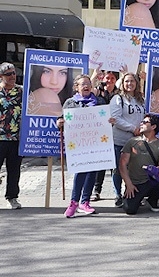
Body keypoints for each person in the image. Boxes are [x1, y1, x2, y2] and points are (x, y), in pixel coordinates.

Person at [57, 74, 114, 218]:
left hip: (96, 142)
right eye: (83, 84)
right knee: (80, 171)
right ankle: (74, 202)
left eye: (88, 83)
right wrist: (59, 123)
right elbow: (61, 119)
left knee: (93, 171)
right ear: (76, 87)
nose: (86, 86)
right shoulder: (70, 103)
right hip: (79, 144)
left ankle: (85, 202)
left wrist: (110, 121)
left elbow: (105, 120)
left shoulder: (99, 102)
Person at [0, 63, 24, 212]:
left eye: (14, 73)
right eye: (9, 74)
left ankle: (12, 197)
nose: (13, 76)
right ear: (0, 76)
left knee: (14, 169)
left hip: (16, 137)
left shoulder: (21, 91)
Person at [119, 114, 159, 214]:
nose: (141, 124)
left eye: (145, 122)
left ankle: (153, 199)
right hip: (135, 184)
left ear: (153, 127)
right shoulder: (132, 142)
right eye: (141, 122)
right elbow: (122, 164)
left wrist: (158, 170)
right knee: (130, 209)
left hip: (151, 181)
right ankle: (135, 197)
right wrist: (128, 184)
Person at [108, 72, 145, 207]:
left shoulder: (141, 99)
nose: (130, 84)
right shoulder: (118, 99)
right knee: (118, 168)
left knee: (134, 169)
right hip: (120, 140)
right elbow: (115, 119)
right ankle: (117, 194)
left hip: (137, 141)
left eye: (132, 81)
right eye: (127, 81)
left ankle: (131, 193)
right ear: (122, 84)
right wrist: (132, 128)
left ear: (136, 83)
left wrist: (142, 129)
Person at [91, 70, 121, 200]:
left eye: (112, 78)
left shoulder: (119, 93)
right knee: (100, 163)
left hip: (115, 131)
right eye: (107, 78)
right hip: (100, 131)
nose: (109, 80)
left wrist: (125, 72)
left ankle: (117, 192)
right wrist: (95, 73)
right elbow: (88, 86)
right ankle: (96, 190)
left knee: (115, 164)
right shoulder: (98, 91)